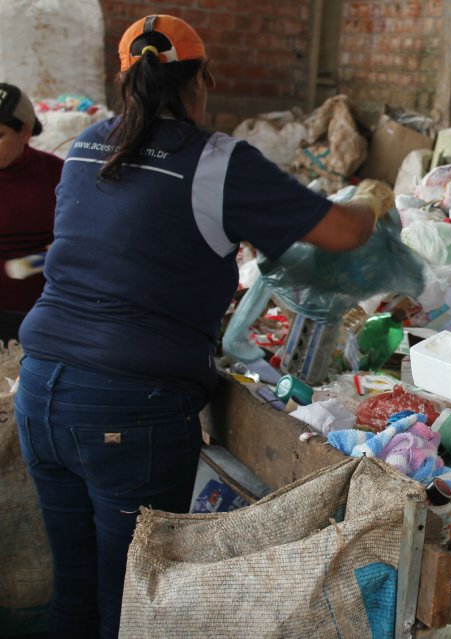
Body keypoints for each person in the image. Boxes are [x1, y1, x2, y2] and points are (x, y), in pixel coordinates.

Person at [14, 15, 394, 639]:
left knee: (74, 593)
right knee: (128, 601)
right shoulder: (218, 162)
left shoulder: (85, 145)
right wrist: (370, 201)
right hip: (128, 411)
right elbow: (343, 231)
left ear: (124, 79)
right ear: (204, 82)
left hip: (42, 394)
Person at [0, 82, 63, 342]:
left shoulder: (57, 174)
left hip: (42, 317)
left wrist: (39, 260)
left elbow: (81, 240)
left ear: (25, 132)